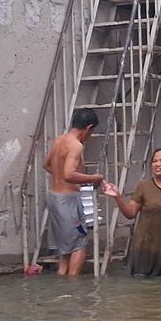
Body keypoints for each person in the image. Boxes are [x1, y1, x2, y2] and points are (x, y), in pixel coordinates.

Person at [103, 147, 161, 277]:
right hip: (146, 250)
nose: (157, 164)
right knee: (144, 289)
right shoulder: (144, 186)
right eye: (154, 161)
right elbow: (130, 214)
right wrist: (117, 197)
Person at [43, 108, 105, 276]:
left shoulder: (59, 140)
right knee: (79, 244)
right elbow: (69, 174)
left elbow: (46, 164)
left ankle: (62, 284)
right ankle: (74, 290)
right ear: (89, 127)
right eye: (91, 132)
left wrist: (61, 177)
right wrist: (94, 178)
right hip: (68, 201)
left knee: (65, 248)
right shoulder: (76, 146)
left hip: (54, 197)